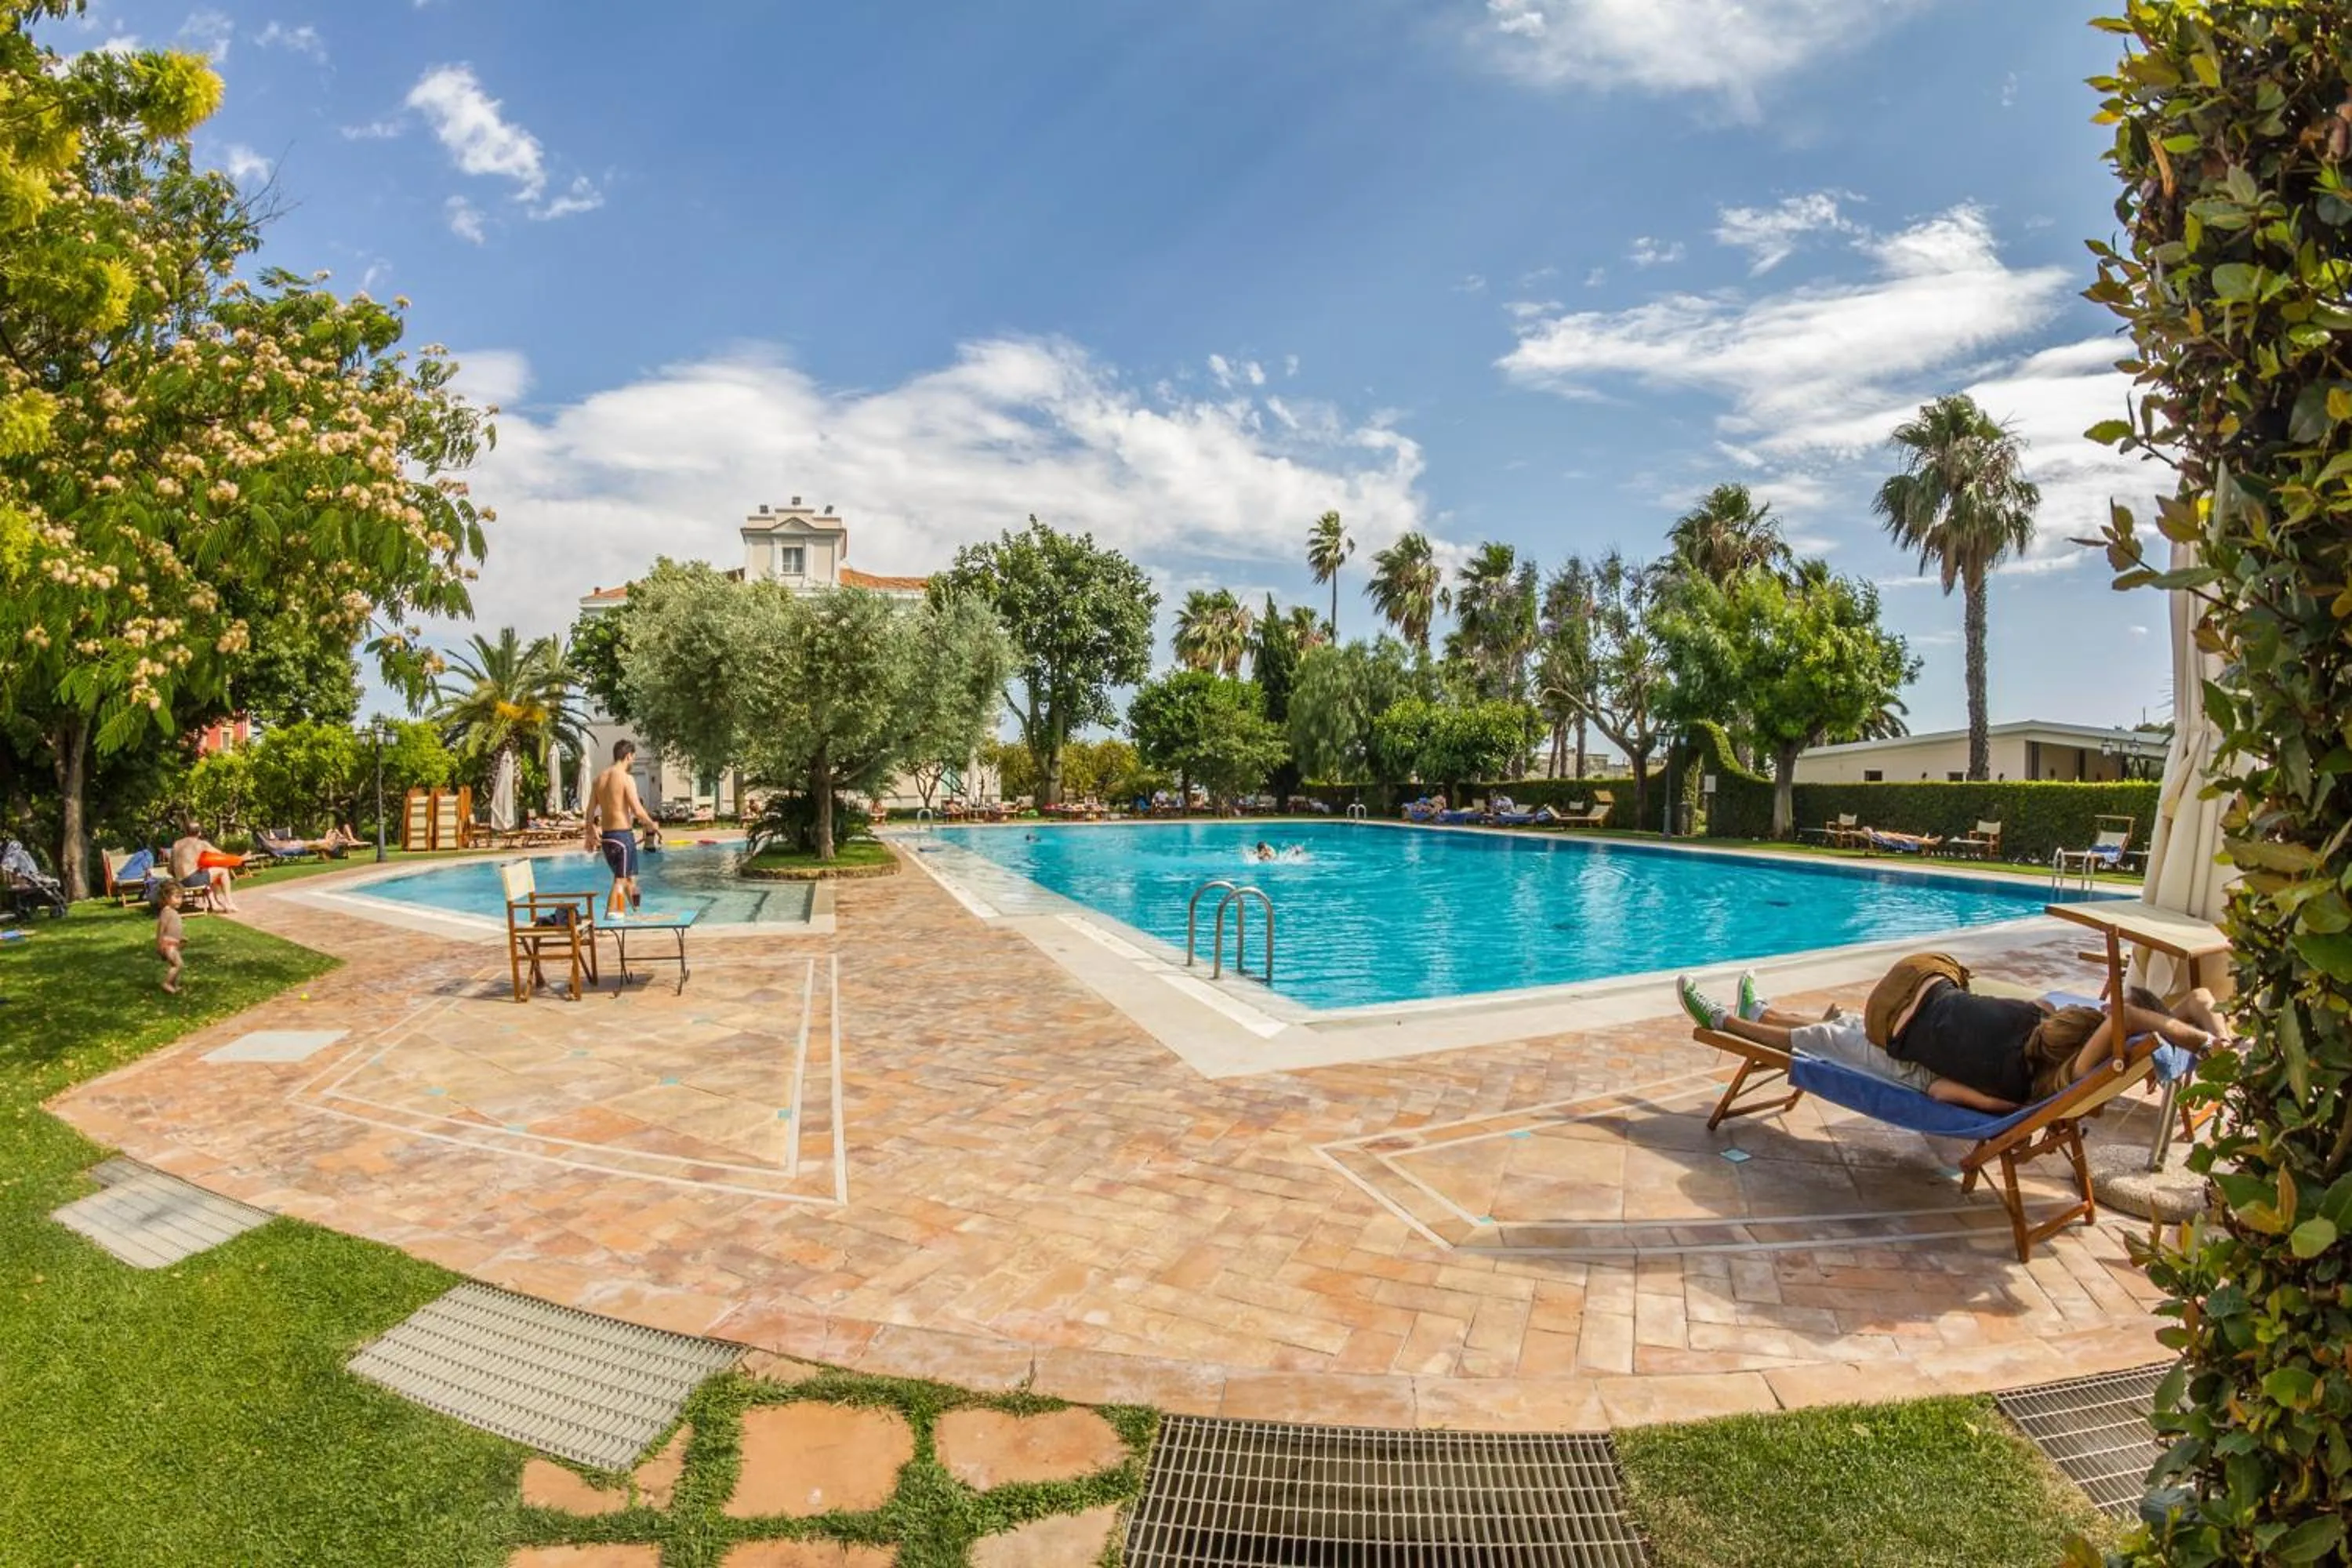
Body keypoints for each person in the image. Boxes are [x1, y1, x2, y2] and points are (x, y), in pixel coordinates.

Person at [1679, 959, 2228, 1113]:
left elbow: (2120, 1021)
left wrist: (2189, 1037)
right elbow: (2200, 998)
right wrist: (2214, 1034)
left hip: (1921, 1070)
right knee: (1840, 1028)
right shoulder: (2057, 1051)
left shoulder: (2054, 1078)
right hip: (1933, 1046)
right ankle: (1764, 1010)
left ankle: (1725, 1022)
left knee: (1824, 1043)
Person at [585, 739, 659, 919]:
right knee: (620, 880)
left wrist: (589, 832)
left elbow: (589, 810)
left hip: (608, 838)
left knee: (631, 879)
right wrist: (652, 824)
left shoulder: (598, 779)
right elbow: (637, 810)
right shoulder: (626, 778)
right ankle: (612, 915)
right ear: (628, 756)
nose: (633, 761)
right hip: (622, 837)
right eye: (633, 758)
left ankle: (636, 911)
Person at [168, 821, 238, 913]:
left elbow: (170, 869)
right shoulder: (201, 844)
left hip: (180, 882)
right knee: (223, 871)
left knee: (204, 872)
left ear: (186, 832)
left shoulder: (176, 844)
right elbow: (220, 854)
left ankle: (214, 904)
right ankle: (230, 903)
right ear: (199, 832)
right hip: (192, 880)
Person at [155, 882, 185, 994]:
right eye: (176, 897)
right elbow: (161, 928)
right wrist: (159, 944)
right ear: (166, 898)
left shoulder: (172, 912)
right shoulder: (166, 912)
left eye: (181, 897)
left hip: (173, 943)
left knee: (176, 964)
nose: (180, 900)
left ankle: (173, 985)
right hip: (167, 944)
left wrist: (180, 938)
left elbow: (173, 929)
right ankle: (167, 983)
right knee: (178, 964)